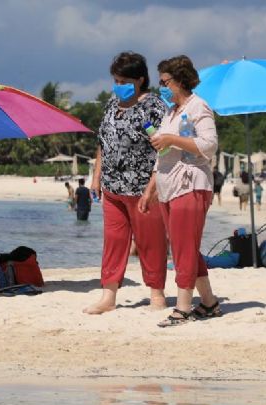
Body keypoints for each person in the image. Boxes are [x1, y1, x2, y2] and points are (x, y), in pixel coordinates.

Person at [84, 51, 169, 314]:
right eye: (116, 80)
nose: (118, 85)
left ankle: (157, 294)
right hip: (112, 188)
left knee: (150, 241)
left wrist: (152, 187)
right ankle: (108, 296)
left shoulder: (153, 106)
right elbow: (103, 143)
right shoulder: (112, 105)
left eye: (123, 81)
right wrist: (96, 178)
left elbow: (163, 150)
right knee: (113, 241)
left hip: (143, 188)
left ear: (140, 79)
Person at [142, 54, 221, 327]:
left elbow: (209, 145)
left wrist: (172, 138)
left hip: (191, 184)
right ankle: (209, 303)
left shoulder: (199, 107)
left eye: (165, 81)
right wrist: (149, 189)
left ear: (179, 80)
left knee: (183, 250)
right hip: (167, 186)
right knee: (184, 247)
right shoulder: (170, 112)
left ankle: (183, 308)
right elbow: (162, 155)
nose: (161, 87)